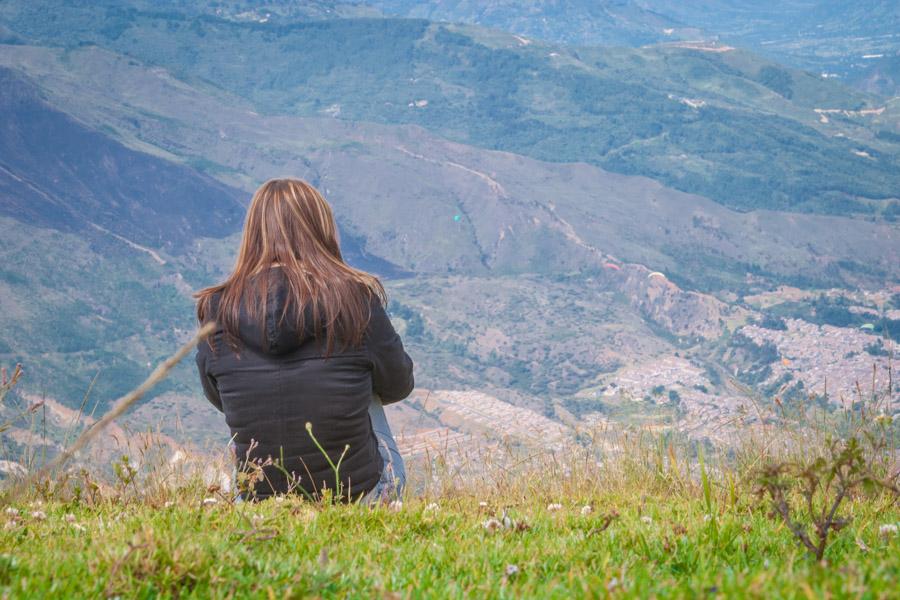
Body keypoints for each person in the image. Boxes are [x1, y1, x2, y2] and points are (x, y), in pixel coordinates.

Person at [194, 178, 414, 502]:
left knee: (246, 395)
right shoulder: (356, 299)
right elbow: (399, 383)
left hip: (259, 501)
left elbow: (218, 397)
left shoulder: (216, 309)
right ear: (320, 230)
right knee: (367, 387)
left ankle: (262, 486)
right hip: (357, 496)